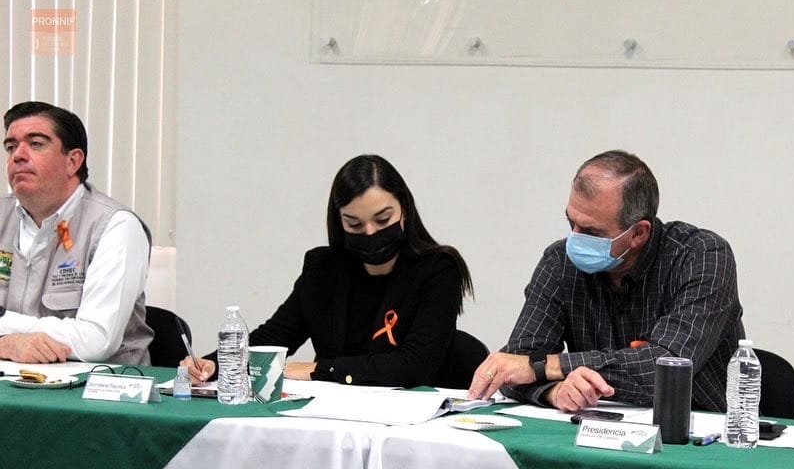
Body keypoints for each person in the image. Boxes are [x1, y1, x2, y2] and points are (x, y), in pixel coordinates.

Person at [468, 150, 744, 412]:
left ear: (639, 233)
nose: (575, 239)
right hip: (594, 426)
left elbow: (665, 368)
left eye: (591, 232)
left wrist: (544, 367)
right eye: (571, 223)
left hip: (698, 431)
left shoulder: (702, 256)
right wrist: (555, 391)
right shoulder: (560, 262)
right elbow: (514, 366)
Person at [183, 154, 473, 387]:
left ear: (404, 210)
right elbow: (275, 336)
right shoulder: (323, 269)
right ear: (339, 221)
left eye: (383, 220)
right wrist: (216, 363)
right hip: (331, 416)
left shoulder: (438, 269)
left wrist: (322, 369)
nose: (370, 232)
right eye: (354, 224)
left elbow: (415, 365)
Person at [0, 101, 153, 364]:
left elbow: (95, 341)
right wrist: (8, 344)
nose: (18, 155)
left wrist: (6, 327)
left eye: (36, 144)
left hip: (100, 385)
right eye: (11, 147)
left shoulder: (115, 225)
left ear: (72, 161)